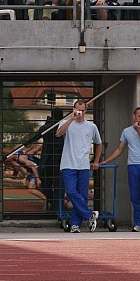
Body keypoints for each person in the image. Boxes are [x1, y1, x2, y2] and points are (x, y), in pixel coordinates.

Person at [101, 107, 140, 232]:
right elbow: (120, 149)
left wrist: (139, 131)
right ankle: (139, 223)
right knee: (135, 196)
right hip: (132, 166)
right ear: (134, 116)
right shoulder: (126, 131)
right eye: (139, 116)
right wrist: (107, 160)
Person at [55, 100, 101, 233]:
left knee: (82, 195)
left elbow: (99, 143)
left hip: (84, 165)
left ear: (86, 111)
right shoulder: (66, 122)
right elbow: (58, 133)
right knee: (70, 191)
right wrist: (71, 118)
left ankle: (75, 224)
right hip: (68, 164)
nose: (80, 113)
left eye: (83, 110)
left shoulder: (91, 126)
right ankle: (89, 215)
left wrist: (96, 160)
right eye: (78, 110)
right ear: (73, 109)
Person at [38, 108, 64, 211]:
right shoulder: (64, 126)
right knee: (59, 185)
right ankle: (57, 206)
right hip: (60, 160)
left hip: (47, 160)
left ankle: (52, 202)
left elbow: (40, 132)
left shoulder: (47, 127)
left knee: (46, 184)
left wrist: (48, 122)